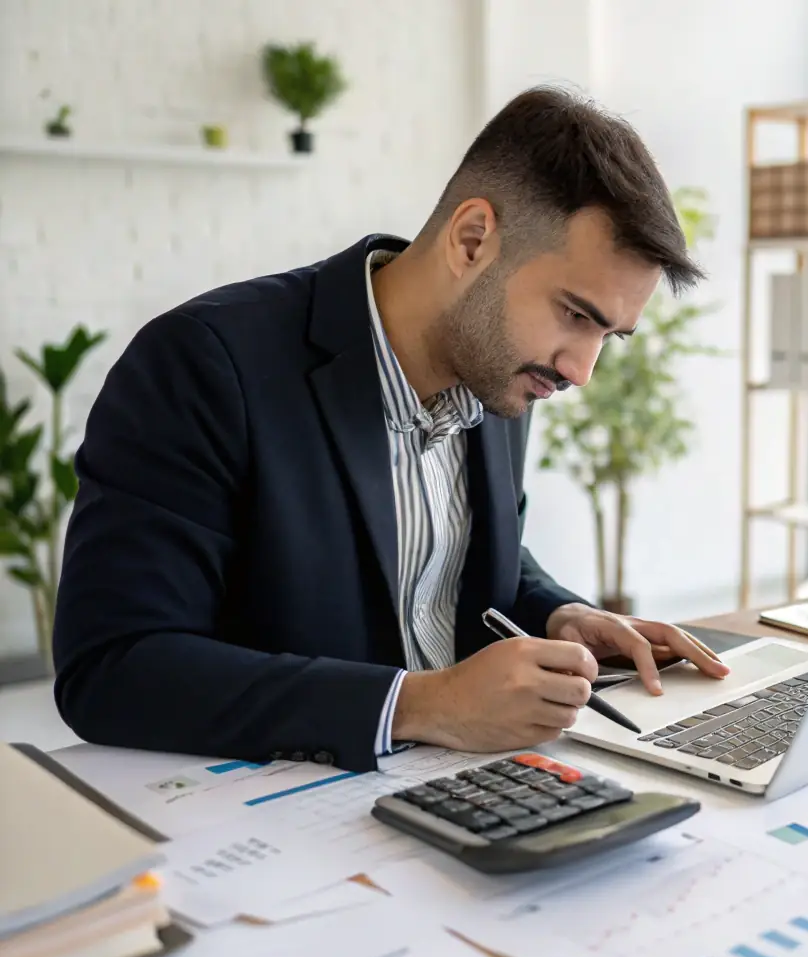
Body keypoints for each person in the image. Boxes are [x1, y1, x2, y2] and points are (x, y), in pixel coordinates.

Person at [52, 86, 730, 772]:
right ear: (472, 241)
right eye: (575, 315)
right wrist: (422, 704)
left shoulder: (501, 373)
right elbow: (112, 668)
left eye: (608, 335)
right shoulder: (203, 365)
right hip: (278, 820)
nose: (581, 370)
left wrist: (559, 614)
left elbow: (451, 558)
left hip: (466, 798)